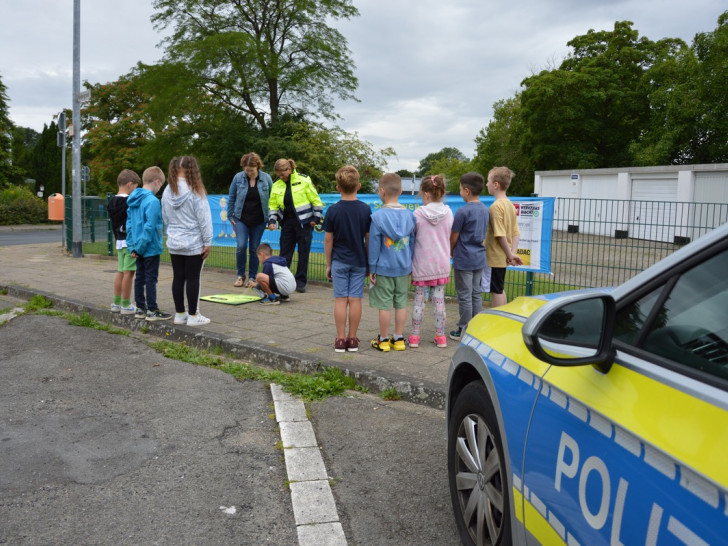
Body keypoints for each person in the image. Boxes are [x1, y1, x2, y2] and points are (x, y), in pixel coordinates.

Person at [323, 165, 372, 352]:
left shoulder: (333, 211)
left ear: (338, 187)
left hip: (339, 261)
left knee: (340, 300)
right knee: (356, 299)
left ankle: (340, 339)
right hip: (359, 261)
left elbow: (328, 239)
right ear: (358, 186)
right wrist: (369, 262)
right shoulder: (365, 210)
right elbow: (368, 238)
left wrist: (329, 264)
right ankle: (353, 339)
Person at [161, 155, 214, 326]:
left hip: (175, 241)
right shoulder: (195, 191)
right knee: (193, 278)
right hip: (193, 242)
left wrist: (171, 233)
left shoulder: (168, 190)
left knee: (178, 277)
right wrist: (208, 241)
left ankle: (180, 314)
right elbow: (204, 218)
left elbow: (165, 217)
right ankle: (193, 315)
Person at [368, 173, 416, 352]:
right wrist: (410, 264)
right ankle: (399, 338)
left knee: (384, 304)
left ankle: (383, 339)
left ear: (381, 191)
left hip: (383, 268)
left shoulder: (377, 217)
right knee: (401, 303)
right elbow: (412, 243)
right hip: (403, 268)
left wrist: (371, 268)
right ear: (401, 191)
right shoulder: (410, 216)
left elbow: (373, 245)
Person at [408, 174, 454, 349]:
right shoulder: (449, 213)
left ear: (425, 194)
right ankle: (440, 336)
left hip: (422, 264)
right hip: (441, 263)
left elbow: (413, 236)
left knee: (419, 300)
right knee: (439, 300)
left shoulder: (417, 214)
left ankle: (414, 336)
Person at [267, 158, 324, 293]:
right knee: (285, 254)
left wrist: (316, 218)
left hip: (304, 223)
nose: (280, 177)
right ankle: (283, 281)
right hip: (287, 223)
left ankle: (301, 282)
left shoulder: (304, 180)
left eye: (282, 174)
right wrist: (272, 220)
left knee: (303, 253)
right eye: (278, 175)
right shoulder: (276, 185)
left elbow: (315, 200)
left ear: (289, 169)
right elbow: (273, 205)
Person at [126, 166, 172, 322]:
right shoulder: (152, 201)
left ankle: (140, 308)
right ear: (157, 181)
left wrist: (133, 247)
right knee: (151, 278)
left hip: (137, 248)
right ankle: (152, 310)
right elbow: (150, 227)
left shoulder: (132, 199)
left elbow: (129, 225)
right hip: (149, 248)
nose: (160, 189)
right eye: (161, 185)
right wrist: (140, 247)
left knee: (140, 277)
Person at [449, 172, 489, 341]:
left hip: (464, 259)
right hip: (480, 258)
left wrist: (450, 251)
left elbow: (454, 237)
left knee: (464, 295)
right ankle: (476, 328)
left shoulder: (462, 212)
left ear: (466, 191)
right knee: (475, 294)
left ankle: (463, 329)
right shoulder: (485, 210)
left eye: (459, 189)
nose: (459, 192)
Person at [227, 152, 273, 288]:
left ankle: (252, 277)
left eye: (251, 170)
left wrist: (271, 219)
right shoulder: (238, 178)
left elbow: (272, 199)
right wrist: (230, 216)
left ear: (257, 167)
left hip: (259, 220)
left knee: (254, 248)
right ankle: (240, 275)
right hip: (241, 218)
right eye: (246, 170)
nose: (249, 173)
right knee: (241, 246)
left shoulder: (266, 179)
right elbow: (232, 197)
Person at [485, 166, 523, 308]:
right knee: (499, 288)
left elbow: (500, 235)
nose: (486, 184)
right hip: (503, 256)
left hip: (495, 256)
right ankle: (503, 316)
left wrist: (510, 254)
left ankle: (497, 320)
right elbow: (515, 233)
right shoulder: (510, 205)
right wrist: (511, 253)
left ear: (496, 185)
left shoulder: (495, 207)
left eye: (488, 181)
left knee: (496, 290)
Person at [107, 169, 140, 315]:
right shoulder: (129, 201)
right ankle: (126, 304)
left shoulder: (112, 201)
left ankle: (116, 303)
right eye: (136, 188)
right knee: (129, 273)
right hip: (129, 242)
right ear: (130, 185)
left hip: (119, 241)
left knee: (120, 272)